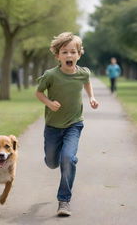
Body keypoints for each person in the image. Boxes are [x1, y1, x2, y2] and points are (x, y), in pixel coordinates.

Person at [35, 32, 99, 217]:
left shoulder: (83, 73)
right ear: (58, 56)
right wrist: (49, 103)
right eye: (65, 52)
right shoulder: (51, 75)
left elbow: (87, 82)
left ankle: (64, 200)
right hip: (53, 127)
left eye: (73, 52)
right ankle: (59, 159)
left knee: (68, 158)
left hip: (74, 124)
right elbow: (39, 93)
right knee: (52, 162)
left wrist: (92, 98)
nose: (69, 55)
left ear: (79, 54)